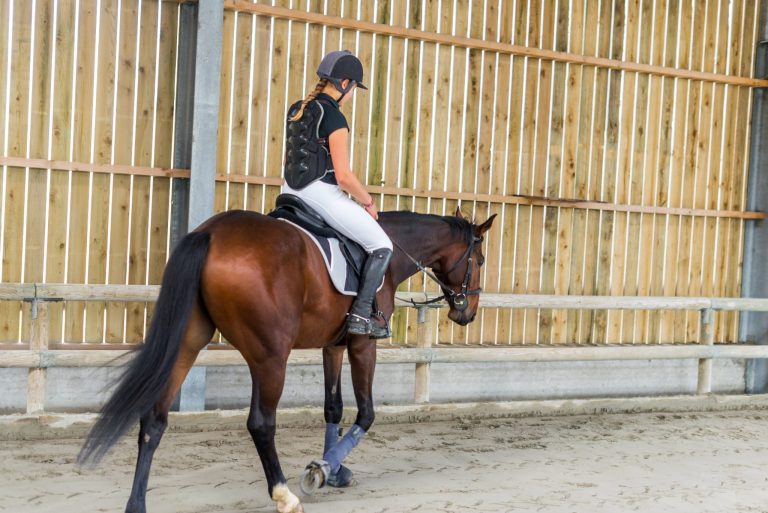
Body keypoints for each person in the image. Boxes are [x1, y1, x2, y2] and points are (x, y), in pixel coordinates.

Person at [281, 50, 393, 338]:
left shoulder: (297, 108)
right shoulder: (334, 117)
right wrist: (368, 201)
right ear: (345, 83)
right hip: (320, 194)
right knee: (382, 244)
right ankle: (359, 315)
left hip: (288, 193)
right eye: (354, 88)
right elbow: (343, 177)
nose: (353, 94)